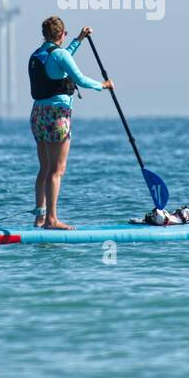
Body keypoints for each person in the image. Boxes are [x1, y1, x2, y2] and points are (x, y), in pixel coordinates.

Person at [29, 16, 111, 229]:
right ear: (61, 34)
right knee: (58, 169)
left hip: (38, 115)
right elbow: (80, 79)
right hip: (57, 115)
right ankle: (52, 220)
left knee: (45, 168)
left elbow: (61, 60)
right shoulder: (60, 55)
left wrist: (78, 40)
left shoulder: (38, 55)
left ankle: (40, 217)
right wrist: (103, 85)